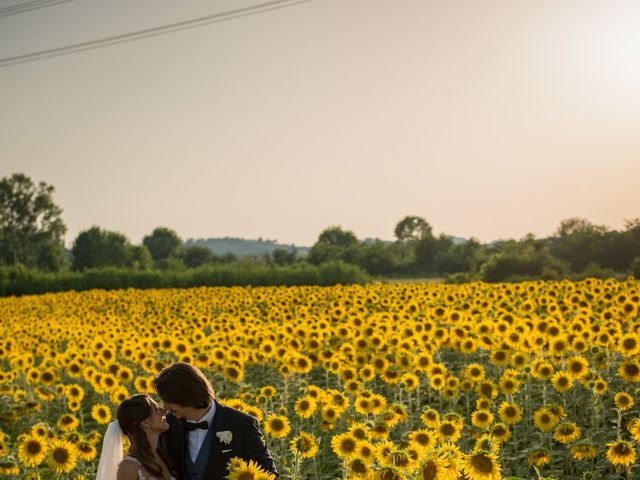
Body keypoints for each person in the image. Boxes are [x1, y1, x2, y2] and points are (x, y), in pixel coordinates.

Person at [153, 362, 278, 480]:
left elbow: (269, 475)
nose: (165, 407)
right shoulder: (166, 426)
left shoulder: (242, 425)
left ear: (187, 395)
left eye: (169, 401)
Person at [96, 394, 177, 480]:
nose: (164, 411)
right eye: (156, 409)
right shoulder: (129, 468)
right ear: (145, 423)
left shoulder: (165, 456)